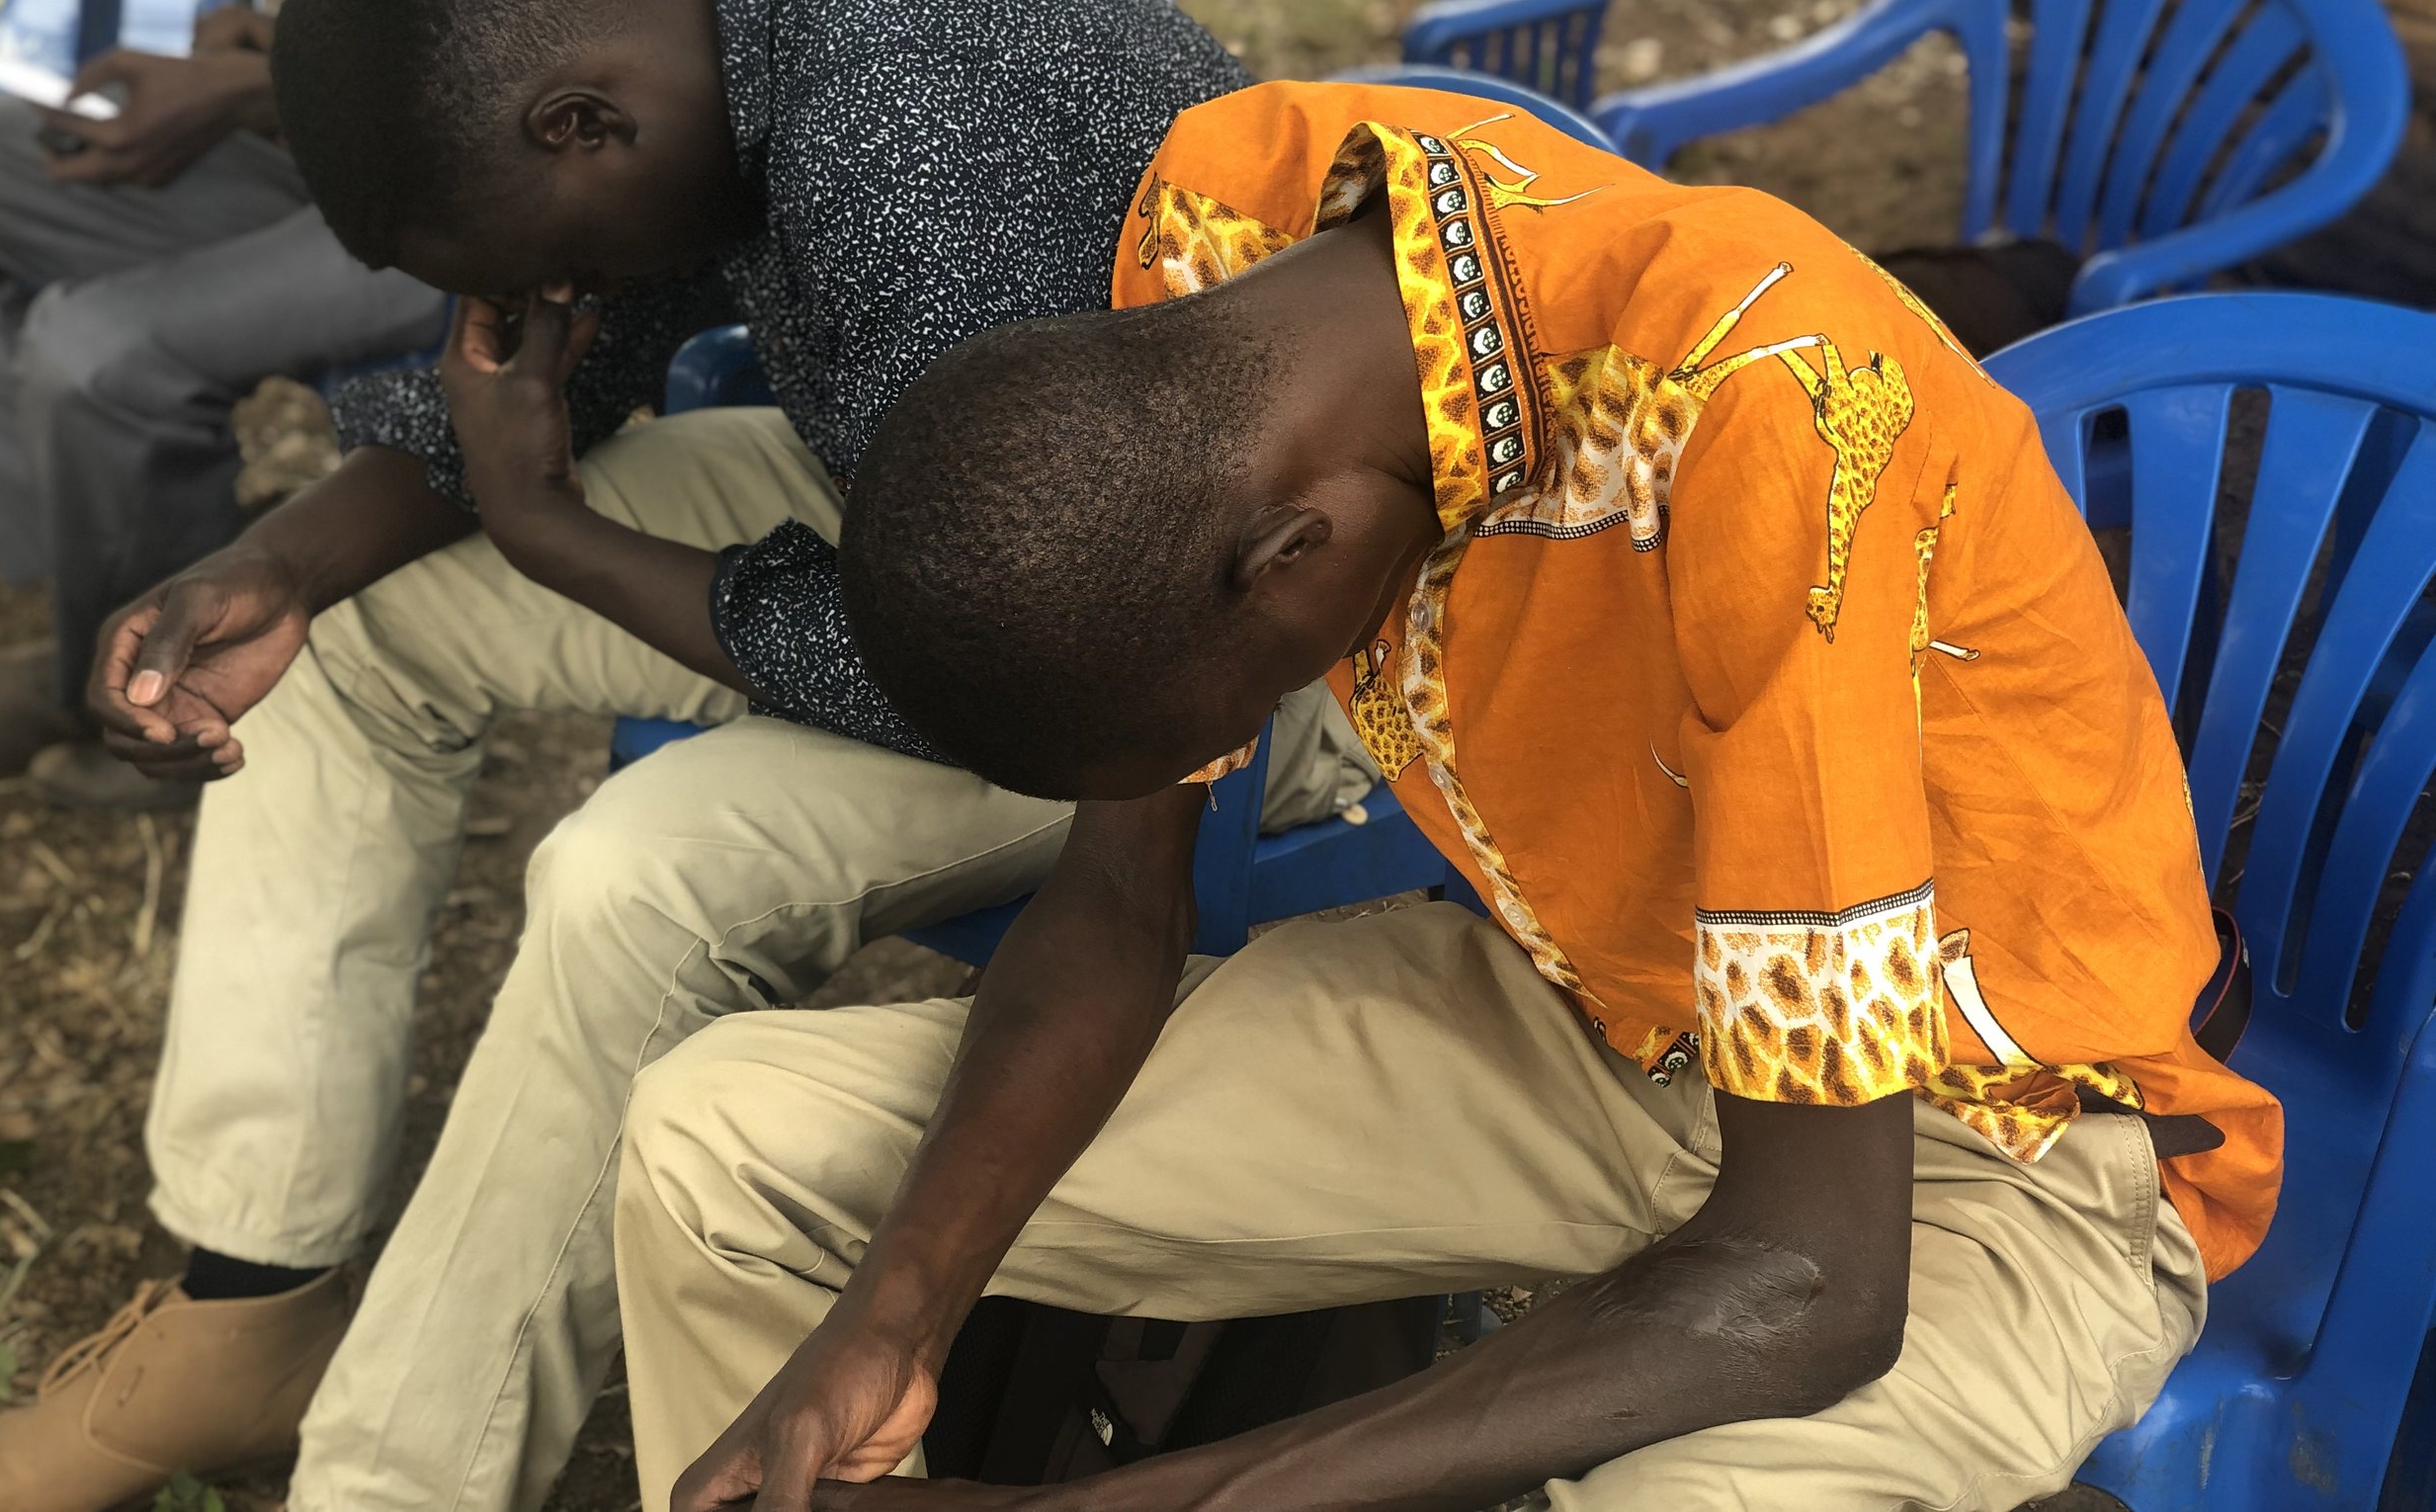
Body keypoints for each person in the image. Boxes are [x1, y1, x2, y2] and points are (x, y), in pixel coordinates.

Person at [613, 79, 2286, 1512]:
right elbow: (1118, 902)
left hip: (1976, 1157)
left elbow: (1812, 1287)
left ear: (1297, 556)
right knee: (721, 1141)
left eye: (1249, 698)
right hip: (1585, 1023)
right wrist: (889, 1324)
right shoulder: (1218, 234)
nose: (1265, 721)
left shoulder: (1769, 421)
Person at [0, 0, 1375, 1512]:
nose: (532, 300)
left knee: (632, 877)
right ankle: (247, 1309)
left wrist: (557, 536)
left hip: (1202, 663)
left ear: (580, 122)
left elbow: (999, 653)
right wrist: (279, 559)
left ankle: (393, 1480)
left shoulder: (908, 140)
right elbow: (600, 359)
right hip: (925, 496)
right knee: (335, 638)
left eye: (525, 267)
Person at [0, 0, 764, 808]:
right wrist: (260, 30)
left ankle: (163, 690)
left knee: (98, 350)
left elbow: (637, 5)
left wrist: (259, 89)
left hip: (492, 189)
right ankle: (104, 597)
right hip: (322, 114)